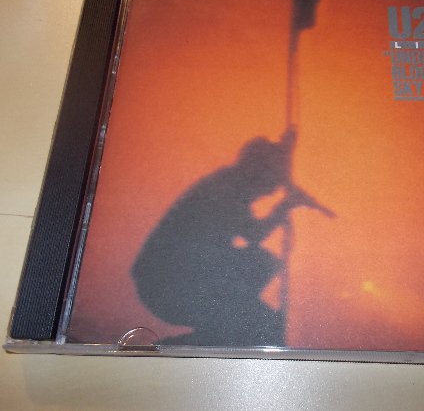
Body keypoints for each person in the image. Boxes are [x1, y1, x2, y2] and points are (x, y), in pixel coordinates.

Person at [132, 128, 326, 346]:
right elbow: (254, 233)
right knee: (261, 290)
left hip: (175, 281)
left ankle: (209, 332)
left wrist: (284, 149)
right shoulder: (224, 190)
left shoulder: (228, 184)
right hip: (169, 284)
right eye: (271, 183)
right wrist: (284, 206)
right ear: (257, 173)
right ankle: (187, 343)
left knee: (262, 319)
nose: (271, 191)